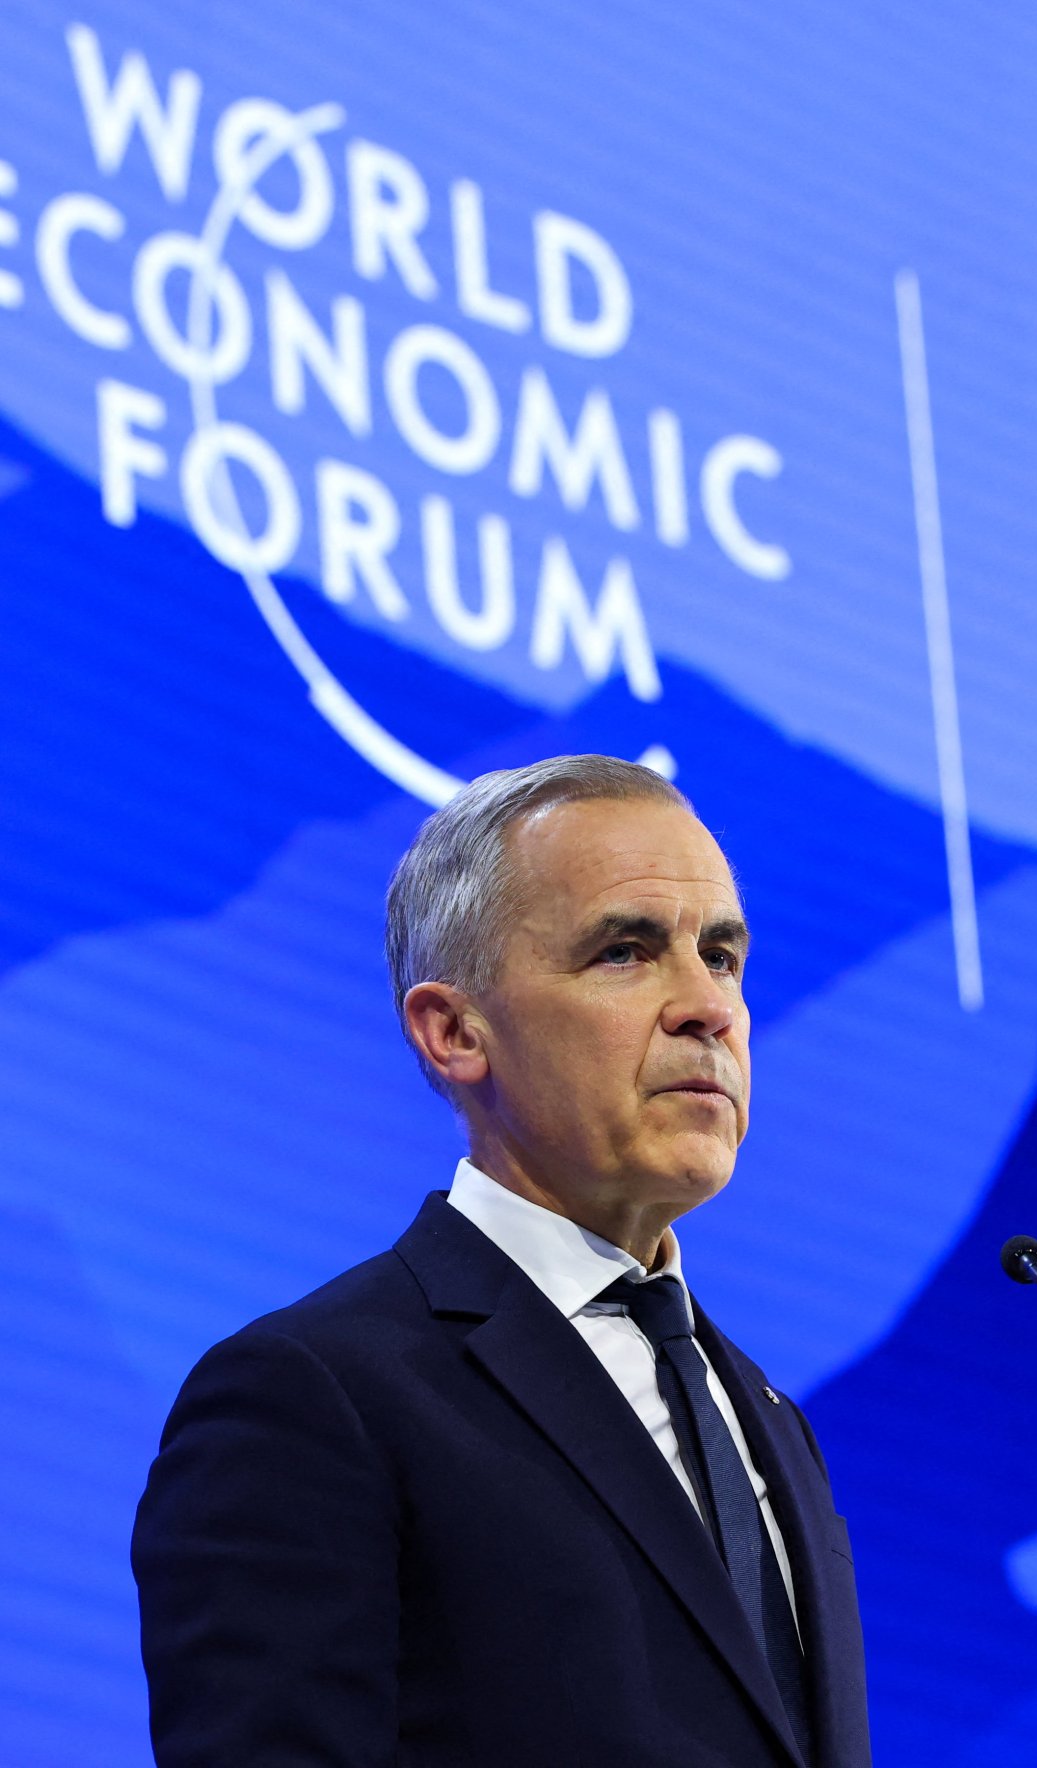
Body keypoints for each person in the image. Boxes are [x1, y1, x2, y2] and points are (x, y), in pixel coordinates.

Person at [132, 755, 870, 1768]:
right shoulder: (316, 1395)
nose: (709, 1005)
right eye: (625, 952)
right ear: (453, 1032)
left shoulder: (769, 1419)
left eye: (722, 955)